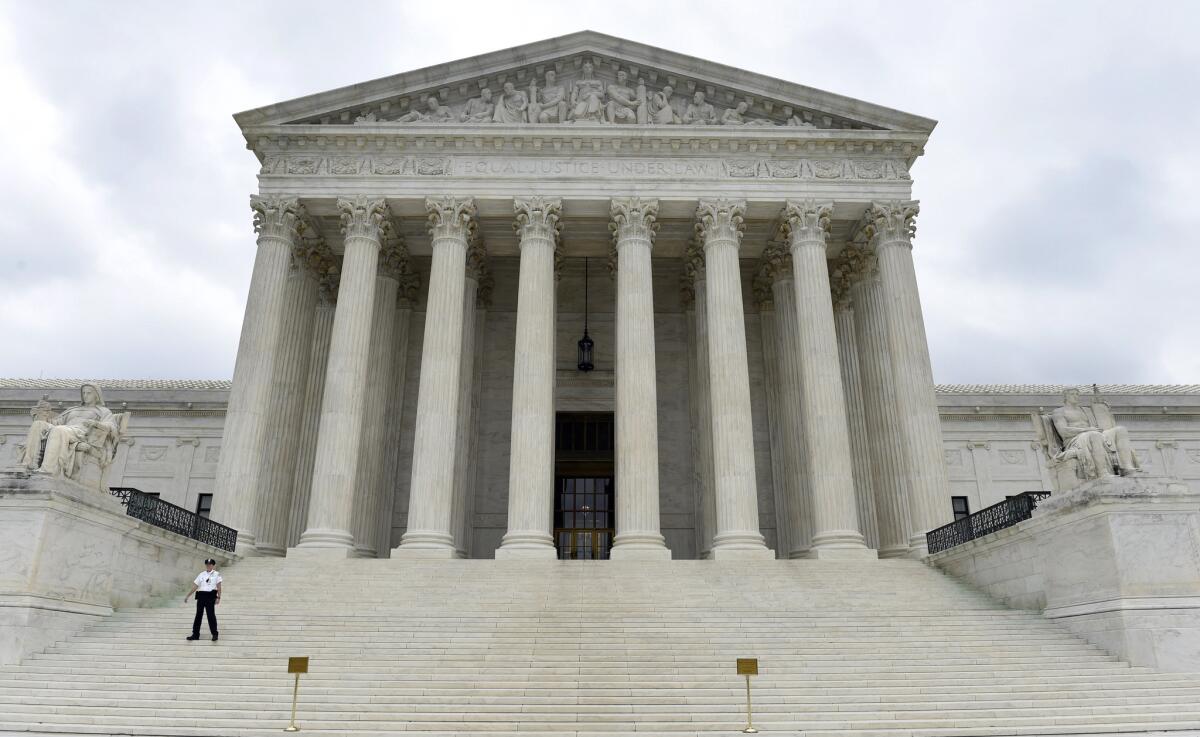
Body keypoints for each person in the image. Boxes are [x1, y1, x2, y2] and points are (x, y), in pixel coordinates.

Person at [185, 558, 222, 641]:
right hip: (201, 596)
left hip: (210, 596)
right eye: (207, 564)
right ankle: (195, 634)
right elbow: (195, 586)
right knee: (198, 615)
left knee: (211, 615)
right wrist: (188, 595)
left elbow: (219, 587)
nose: (208, 566)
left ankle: (214, 634)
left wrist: (218, 597)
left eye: (210, 564)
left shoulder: (217, 574)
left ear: (213, 565)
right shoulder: (201, 574)